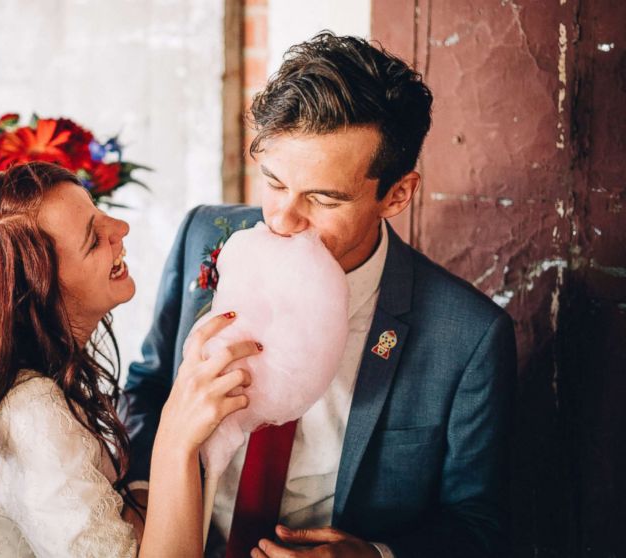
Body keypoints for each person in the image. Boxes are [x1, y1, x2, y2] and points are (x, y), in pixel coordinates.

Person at [120, 32, 516, 558]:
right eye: (274, 182)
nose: (282, 220)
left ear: (396, 194)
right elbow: (146, 389)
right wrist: (149, 506)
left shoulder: (468, 337)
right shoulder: (203, 236)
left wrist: (375, 556)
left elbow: (478, 524)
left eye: (323, 198)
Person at [0, 162, 261, 557]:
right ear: (37, 296)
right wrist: (176, 439)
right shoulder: (31, 413)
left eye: (99, 213)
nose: (120, 230)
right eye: (93, 239)